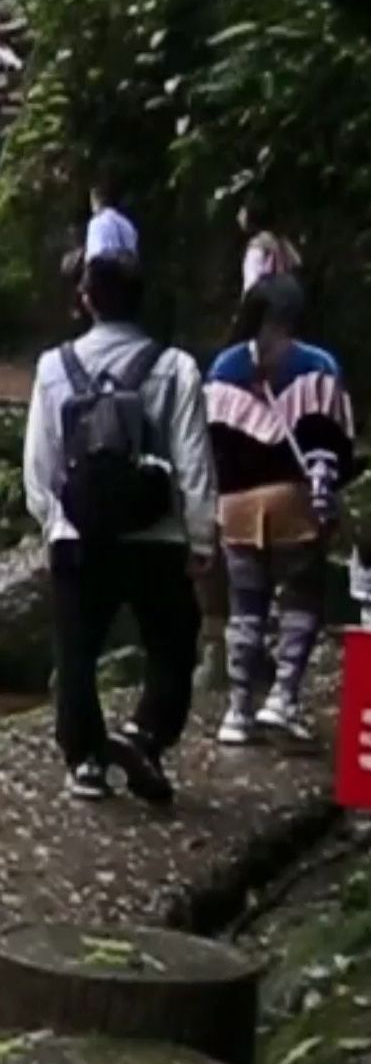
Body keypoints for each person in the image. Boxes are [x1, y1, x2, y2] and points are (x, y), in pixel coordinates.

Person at [23, 250, 218, 803]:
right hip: (155, 535)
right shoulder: (175, 366)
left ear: (86, 299)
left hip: (79, 535)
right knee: (174, 642)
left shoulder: (54, 366)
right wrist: (201, 535)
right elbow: (193, 457)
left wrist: (53, 519)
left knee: (76, 651)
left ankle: (85, 760)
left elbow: (41, 459)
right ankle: (146, 733)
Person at [207, 277, 357, 746]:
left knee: (245, 609)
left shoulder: (223, 366)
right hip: (293, 502)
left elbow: (210, 447)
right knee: (299, 601)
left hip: (234, 507)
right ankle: (283, 698)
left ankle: (237, 710)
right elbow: (336, 448)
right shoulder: (318, 365)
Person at [240, 204, 303, 296]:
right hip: (291, 295)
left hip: (268, 300)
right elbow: (297, 262)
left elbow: (251, 282)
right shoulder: (281, 240)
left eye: (242, 213)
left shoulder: (257, 245)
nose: (238, 217)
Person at [84, 180, 139, 262]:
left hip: (105, 265)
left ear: (97, 201)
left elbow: (97, 253)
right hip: (129, 268)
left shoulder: (97, 221)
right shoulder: (126, 222)